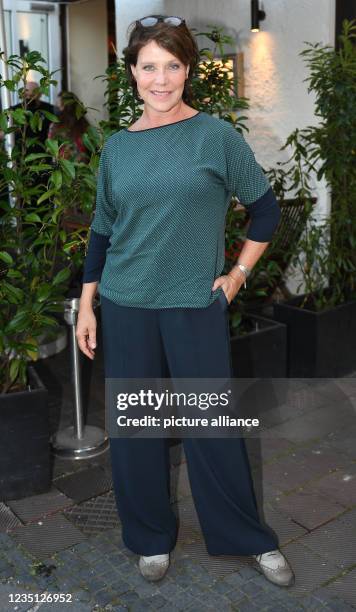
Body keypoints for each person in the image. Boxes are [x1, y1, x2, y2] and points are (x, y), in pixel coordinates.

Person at [76, 14, 295, 587]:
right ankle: (149, 538)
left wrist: (237, 275)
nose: (161, 79)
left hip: (195, 303)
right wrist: (87, 304)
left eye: (172, 66)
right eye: (149, 67)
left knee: (212, 429)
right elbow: (103, 229)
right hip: (125, 304)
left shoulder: (215, 136)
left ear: (188, 70)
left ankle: (246, 537)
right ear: (132, 73)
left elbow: (266, 210)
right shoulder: (118, 148)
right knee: (138, 431)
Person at [48, 91, 89, 161]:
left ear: (65, 106)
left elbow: (51, 148)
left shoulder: (55, 126)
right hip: (83, 167)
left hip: (63, 167)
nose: (56, 106)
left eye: (59, 105)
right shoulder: (85, 124)